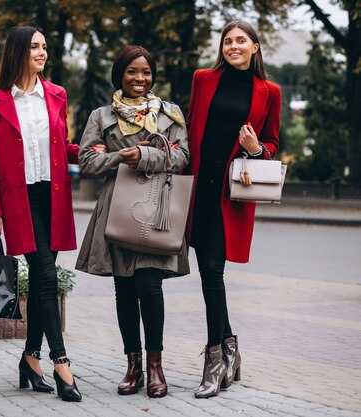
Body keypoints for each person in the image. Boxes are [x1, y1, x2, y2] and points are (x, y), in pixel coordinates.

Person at [75, 45, 190, 398]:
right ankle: (133, 364)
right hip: (117, 210)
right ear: (120, 75)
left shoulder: (170, 114)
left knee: (149, 286)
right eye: (132, 72)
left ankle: (156, 365)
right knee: (124, 288)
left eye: (146, 72)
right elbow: (86, 161)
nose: (140, 79)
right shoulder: (101, 115)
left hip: (157, 208)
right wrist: (120, 158)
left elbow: (183, 156)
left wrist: (146, 154)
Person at [0, 25, 82, 402]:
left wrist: (90, 150)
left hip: (53, 198)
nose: (42, 53)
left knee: (42, 284)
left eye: (45, 46)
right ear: (19, 52)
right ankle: (62, 363)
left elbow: (64, 144)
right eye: (35, 47)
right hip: (19, 202)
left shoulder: (56, 94)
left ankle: (29, 359)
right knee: (44, 276)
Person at [185, 20, 281, 398]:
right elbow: (193, 124)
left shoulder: (268, 90)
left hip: (232, 193)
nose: (234, 46)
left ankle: (214, 363)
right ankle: (231, 350)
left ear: (255, 47)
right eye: (228, 41)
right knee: (208, 272)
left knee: (212, 270)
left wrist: (256, 148)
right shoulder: (203, 78)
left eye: (241, 40)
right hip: (200, 189)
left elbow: (272, 142)